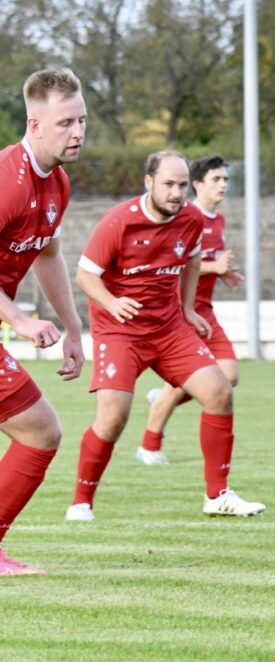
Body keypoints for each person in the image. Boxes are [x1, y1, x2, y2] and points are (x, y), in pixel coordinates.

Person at [66, 150, 264, 522]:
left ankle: (217, 496)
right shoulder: (118, 221)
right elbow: (84, 276)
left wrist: (188, 309)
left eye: (182, 185)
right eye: (169, 184)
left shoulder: (190, 218)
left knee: (220, 392)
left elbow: (191, 260)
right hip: (120, 331)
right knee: (112, 419)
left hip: (169, 328)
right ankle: (80, 501)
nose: (176, 193)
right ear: (149, 182)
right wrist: (111, 303)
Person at [0, 68, 87, 576]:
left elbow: (48, 253)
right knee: (39, 429)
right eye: (64, 123)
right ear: (34, 124)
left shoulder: (57, 182)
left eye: (81, 121)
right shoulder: (7, 181)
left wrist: (72, 328)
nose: (76, 133)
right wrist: (23, 321)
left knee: (38, 430)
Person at [136, 155, 243, 465]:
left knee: (230, 374)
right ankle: (149, 446)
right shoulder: (184, 216)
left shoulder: (217, 219)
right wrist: (215, 266)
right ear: (197, 185)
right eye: (216, 180)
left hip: (204, 309)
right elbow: (175, 263)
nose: (223, 185)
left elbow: (200, 264)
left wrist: (223, 272)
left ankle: (168, 396)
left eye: (225, 179)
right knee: (191, 380)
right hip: (181, 311)